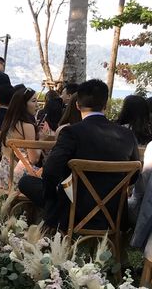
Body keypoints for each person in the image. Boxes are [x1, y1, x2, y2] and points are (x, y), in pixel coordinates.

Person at [18, 79, 139, 230]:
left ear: (77, 105)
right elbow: (134, 176)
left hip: (74, 211)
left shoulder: (71, 133)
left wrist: (51, 195)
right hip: (114, 212)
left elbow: (50, 171)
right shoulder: (127, 135)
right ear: (105, 105)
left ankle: (53, 219)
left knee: (26, 182)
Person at [0, 87, 40, 189]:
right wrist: (42, 141)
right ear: (23, 104)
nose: (37, 105)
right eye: (34, 101)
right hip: (21, 178)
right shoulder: (27, 126)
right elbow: (34, 159)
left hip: (3, 174)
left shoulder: (8, 123)